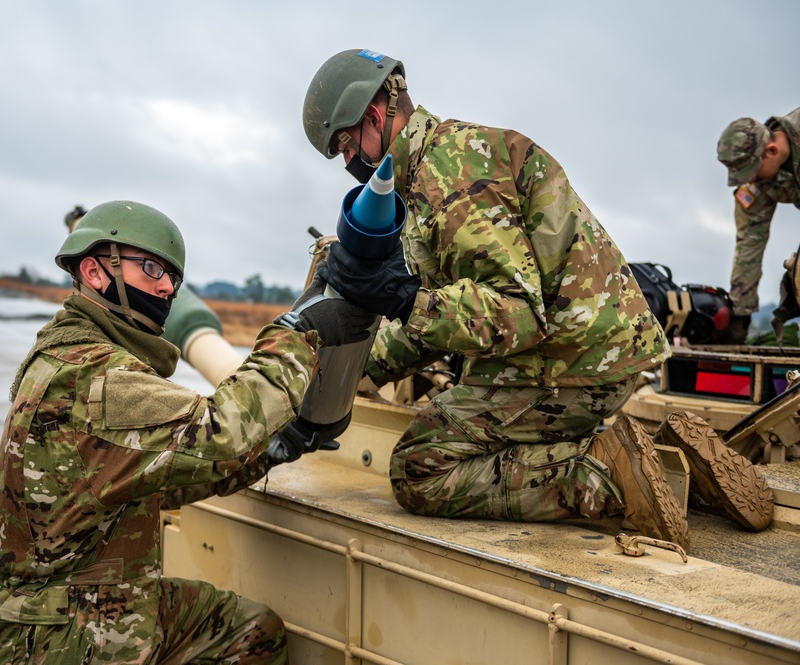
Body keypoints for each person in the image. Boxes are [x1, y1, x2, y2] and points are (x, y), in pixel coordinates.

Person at [302, 49, 775, 551]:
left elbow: (516, 315)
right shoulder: (440, 165)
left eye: (345, 147)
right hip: (590, 350)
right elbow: (435, 322)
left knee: (420, 466)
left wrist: (404, 301)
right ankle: (676, 468)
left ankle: (605, 477)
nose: (347, 164)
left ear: (374, 116)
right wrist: (350, 377)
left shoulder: (448, 181)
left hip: (570, 361)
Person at [0, 200, 376, 663]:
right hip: (61, 634)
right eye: (150, 268)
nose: (167, 287)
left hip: (84, 600)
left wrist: (277, 445)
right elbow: (220, 431)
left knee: (251, 630)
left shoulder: (67, 353)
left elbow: (167, 477)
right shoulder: (95, 375)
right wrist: (297, 332)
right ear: (93, 271)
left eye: (173, 276)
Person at [717, 108, 800, 342]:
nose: (750, 181)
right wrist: (738, 317)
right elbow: (748, 250)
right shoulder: (758, 186)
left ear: (771, 151)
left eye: (752, 173)